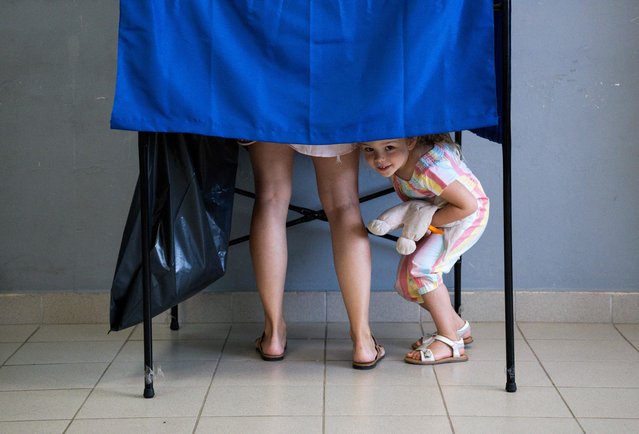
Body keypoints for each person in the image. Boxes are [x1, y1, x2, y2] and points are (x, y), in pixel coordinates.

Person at [240, 140, 385, 369]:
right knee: (343, 205)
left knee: (270, 200)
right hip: (331, 105)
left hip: (273, 103)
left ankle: (273, 336)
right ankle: (362, 342)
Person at [359, 133, 489, 365]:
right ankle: (457, 327)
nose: (380, 159)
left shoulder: (430, 169)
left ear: (410, 142)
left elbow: (468, 205)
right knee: (405, 283)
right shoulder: (397, 165)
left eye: (389, 147)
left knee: (423, 270)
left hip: (466, 217)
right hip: (439, 214)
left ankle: (450, 342)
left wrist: (426, 223)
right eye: (369, 149)